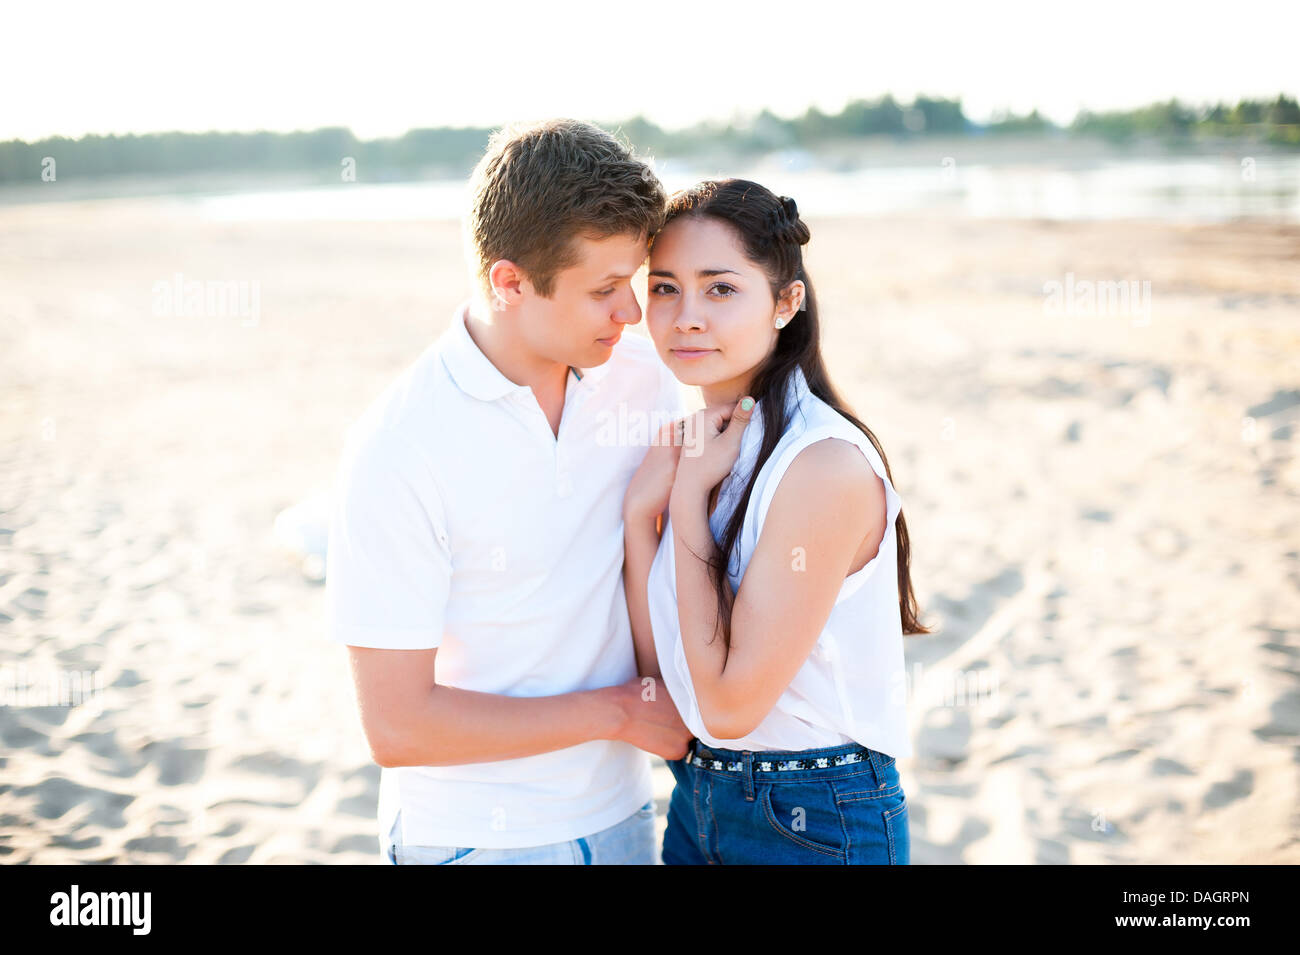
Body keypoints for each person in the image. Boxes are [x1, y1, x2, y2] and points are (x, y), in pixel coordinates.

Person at [325, 118, 693, 865]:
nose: (631, 314)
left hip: (626, 818)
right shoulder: (397, 448)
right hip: (472, 840)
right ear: (510, 282)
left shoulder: (642, 380)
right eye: (604, 290)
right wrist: (619, 712)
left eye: (635, 282)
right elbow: (397, 726)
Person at [622, 178, 931, 865]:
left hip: (813, 819)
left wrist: (682, 504)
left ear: (786, 301)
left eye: (721, 288)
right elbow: (662, 680)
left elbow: (731, 706)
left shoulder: (822, 465)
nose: (686, 316)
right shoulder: (699, 447)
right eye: (665, 287)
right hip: (697, 798)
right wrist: (640, 515)